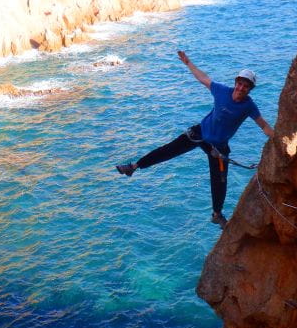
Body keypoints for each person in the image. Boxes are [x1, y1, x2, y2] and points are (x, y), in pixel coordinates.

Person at [115, 50, 274, 228]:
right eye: (240, 83)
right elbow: (203, 78)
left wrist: (279, 139)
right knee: (168, 150)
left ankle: (217, 214)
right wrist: (188, 63)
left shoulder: (249, 106)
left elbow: (264, 126)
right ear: (235, 82)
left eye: (246, 86)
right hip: (200, 133)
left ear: (250, 89)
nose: (241, 88)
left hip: (218, 146)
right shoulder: (222, 91)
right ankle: (133, 167)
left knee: (220, 180)